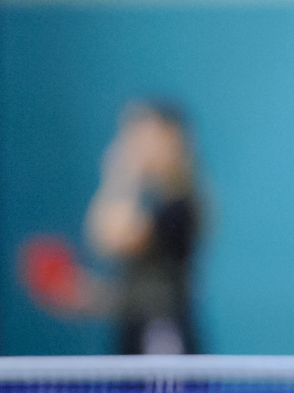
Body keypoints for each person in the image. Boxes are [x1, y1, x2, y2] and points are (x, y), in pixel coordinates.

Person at [23, 102, 204, 354]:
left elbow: (113, 239)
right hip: (135, 334)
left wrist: (120, 178)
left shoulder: (179, 207)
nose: (134, 146)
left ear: (172, 139)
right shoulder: (154, 203)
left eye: (144, 136)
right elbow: (105, 244)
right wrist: (85, 296)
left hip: (162, 340)